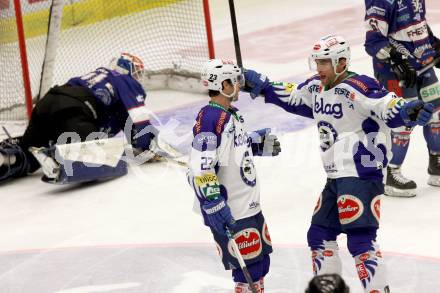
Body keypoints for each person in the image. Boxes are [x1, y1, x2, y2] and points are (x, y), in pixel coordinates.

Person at [243, 35, 433, 292]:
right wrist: (262, 85)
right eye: (317, 61)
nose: (319, 68)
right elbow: (292, 96)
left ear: (342, 62)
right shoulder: (316, 88)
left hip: (361, 174)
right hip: (336, 176)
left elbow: (386, 103)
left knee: (360, 240)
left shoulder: (360, 86)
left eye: (325, 62)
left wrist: (407, 110)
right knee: (319, 235)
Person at [186, 59, 281, 292]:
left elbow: (227, 152)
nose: (239, 85)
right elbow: (201, 167)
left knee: (261, 265)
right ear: (223, 84)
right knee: (246, 270)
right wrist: (213, 203)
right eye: (235, 81)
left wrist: (253, 144)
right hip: (231, 209)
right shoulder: (210, 118)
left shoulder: (229, 115)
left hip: (249, 205)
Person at [0, 53, 157, 184]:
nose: (137, 77)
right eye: (136, 72)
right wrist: (148, 147)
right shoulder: (126, 80)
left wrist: (139, 143)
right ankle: (57, 158)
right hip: (76, 109)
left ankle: (7, 157)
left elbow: (125, 121)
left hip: (47, 103)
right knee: (108, 158)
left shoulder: (98, 77)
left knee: (29, 154)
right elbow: (139, 118)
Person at [364, 0, 440, 197]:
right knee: (404, 121)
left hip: (424, 64)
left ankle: (436, 163)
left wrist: (433, 44)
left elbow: (418, 25)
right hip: (396, 73)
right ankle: (391, 173)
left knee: (436, 114)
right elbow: (373, 42)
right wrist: (397, 60)